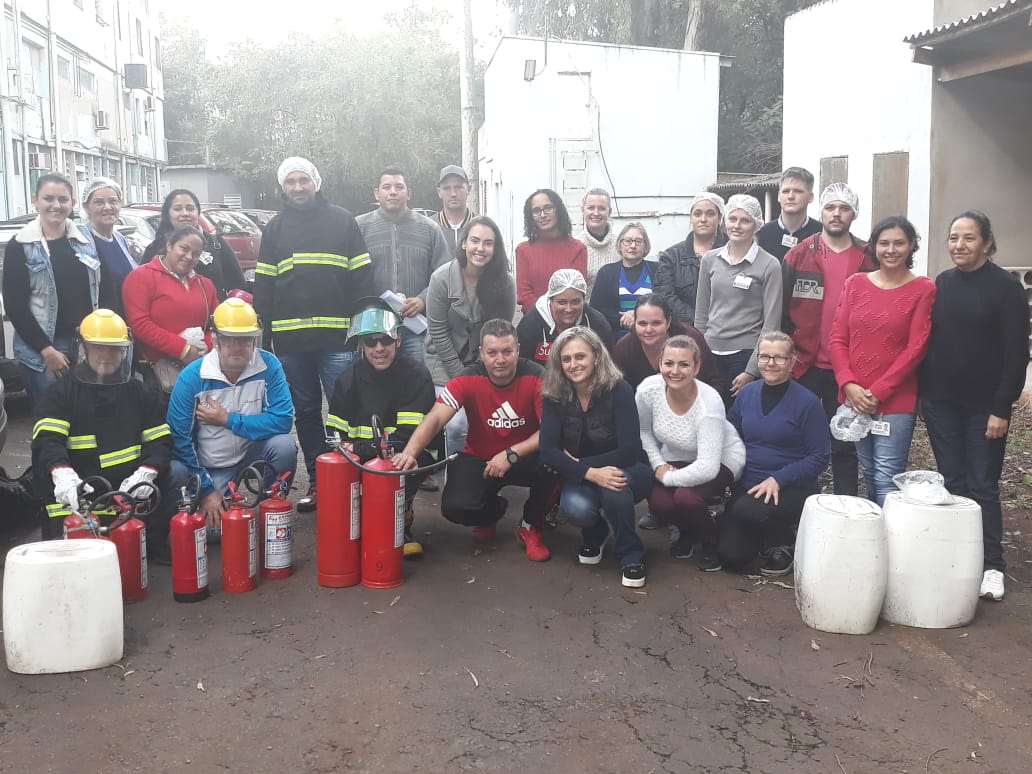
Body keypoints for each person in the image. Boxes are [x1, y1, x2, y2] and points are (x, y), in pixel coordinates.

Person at [919, 211, 1030, 602]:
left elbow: (1017, 354)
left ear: (986, 242)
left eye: (968, 238)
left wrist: (1002, 407)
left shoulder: (1005, 288)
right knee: (953, 482)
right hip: (941, 402)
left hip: (985, 407)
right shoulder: (943, 283)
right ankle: (959, 557)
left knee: (983, 485)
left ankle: (992, 565)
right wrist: (924, 396)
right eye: (953, 238)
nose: (959, 245)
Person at [254, 156, 373, 512]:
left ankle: (352, 478)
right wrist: (266, 337)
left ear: (315, 182)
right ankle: (321, 481)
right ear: (283, 187)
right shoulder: (274, 230)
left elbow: (362, 279)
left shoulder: (342, 221)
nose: (297, 187)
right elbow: (265, 286)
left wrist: (362, 329)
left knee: (345, 408)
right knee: (305, 411)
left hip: (338, 339)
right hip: (291, 343)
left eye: (303, 180)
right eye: (290, 182)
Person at [393, 319, 559, 562]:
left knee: (555, 461)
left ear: (518, 350)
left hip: (524, 456)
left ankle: (531, 526)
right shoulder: (467, 378)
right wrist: (410, 453)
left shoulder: (538, 376)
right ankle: (490, 513)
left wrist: (512, 453)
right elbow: (436, 418)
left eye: (507, 351)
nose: (500, 359)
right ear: (481, 353)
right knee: (456, 507)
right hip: (481, 458)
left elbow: (551, 431)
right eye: (492, 352)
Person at [31, 309, 183, 563]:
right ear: (84, 349)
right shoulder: (62, 393)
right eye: (99, 347)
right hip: (81, 490)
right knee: (77, 563)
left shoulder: (138, 391)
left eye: (114, 349)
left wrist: (147, 471)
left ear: (124, 351)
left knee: (177, 472)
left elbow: (160, 439)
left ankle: (153, 544)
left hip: (130, 489)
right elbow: (47, 440)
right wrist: (62, 473)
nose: (107, 355)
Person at [829, 216, 936, 505]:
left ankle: (891, 545)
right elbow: (838, 338)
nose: (891, 249)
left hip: (895, 400)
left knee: (887, 476)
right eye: (884, 243)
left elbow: (916, 347)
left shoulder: (923, 288)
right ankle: (874, 539)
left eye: (899, 243)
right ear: (874, 246)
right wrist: (848, 383)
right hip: (855, 398)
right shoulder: (856, 284)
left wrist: (878, 392)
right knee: (869, 471)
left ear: (911, 245)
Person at [167, 298, 297, 532]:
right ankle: (209, 500)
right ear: (216, 340)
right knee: (215, 534)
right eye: (229, 339)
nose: (237, 346)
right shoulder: (192, 378)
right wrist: (207, 491)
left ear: (254, 340)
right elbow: (179, 440)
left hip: (251, 454)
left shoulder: (269, 366)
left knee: (284, 446)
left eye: (245, 339)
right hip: (211, 465)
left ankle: (271, 507)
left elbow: (283, 420)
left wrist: (227, 420)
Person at [326, 298, 437, 560]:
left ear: (398, 339)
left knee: (406, 462)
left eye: (386, 340)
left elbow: (409, 439)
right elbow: (334, 438)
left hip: (406, 457)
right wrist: (353, 454)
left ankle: (403, 521)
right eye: (371, 341)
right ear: (361, 345)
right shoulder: (347, 380)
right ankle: (359, 520)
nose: (379, 348)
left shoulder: (415, 376)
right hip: (361, 459)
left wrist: (362, 448)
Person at [539, 327, 651, 587]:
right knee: (575, 508)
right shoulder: (554, 394)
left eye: (580, 356)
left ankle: (630, 553)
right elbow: (547, 451)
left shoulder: (619, 389)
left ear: (597, 356)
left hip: (630, 468)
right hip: (585, 475)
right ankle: (596, 532)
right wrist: (590, 473)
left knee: (615, 486)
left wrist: (580, 465)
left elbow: (629, 450)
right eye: (566, 359)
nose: (573, 364)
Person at [781, 182, 874, 496]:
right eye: (830, 208)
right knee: (802, 436)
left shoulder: (868, 257)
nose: (836, 214)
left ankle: (846, 503)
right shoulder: (799, 255)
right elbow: (781, 310)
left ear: (854, 214)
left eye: (844, 208)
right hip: (805, 363)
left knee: (845, 440)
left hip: (848, 367)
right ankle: (803, 502)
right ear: (820, 211)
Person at [719, 331, 830, 576]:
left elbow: (819, 456)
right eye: (765, 356)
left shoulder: (808, 403)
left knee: (746, 511)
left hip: (791, 487)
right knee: (730, 557)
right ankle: (760, 537)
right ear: (757, 359)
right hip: (749, 485)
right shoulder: (747, 393)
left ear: (792, 362)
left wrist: (779, 479)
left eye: (779, 358)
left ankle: (785, 539)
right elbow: (731, 434)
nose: (770, 363)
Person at [3, 173, 114, 405]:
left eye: (63, 199)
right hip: (45, 350)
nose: (56, 205)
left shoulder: (87, 239)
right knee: (52, 419)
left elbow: (105, 288)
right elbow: (15, 306)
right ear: (35, 200)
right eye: (48, 198)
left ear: (72, 203)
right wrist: (46, 350)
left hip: (87, 342)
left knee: (89, 413)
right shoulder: (20, 245)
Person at [635, 335, 745, 568]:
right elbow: (642, 431)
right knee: (660, 503)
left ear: (696, 367)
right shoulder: (648, 389)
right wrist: (657, 465)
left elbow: (707, 467)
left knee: (685, 497)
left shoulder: (709, 402)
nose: (675, 371)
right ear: (660, 364)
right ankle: (690, 529)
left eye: (684, 364)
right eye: (668, 363)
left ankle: (710, 541)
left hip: (721, 457)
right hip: (675, 455)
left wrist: (667, 477)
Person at [425, 215, 516, 455]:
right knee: (457, 424)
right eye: (475, 240)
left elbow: (502, 330)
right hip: (444, 362)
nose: (480, 248)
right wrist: (460, 375)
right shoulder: (441, 278)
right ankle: (455, 477)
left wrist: (481, 368)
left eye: (488, 243)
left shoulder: (505, 283)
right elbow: (437, 330)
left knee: (493, 418)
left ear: (495, 248)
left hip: (485, 363)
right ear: (464, 243)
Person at [357, 165, 452, 362]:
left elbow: (445, 274)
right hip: (374, 327)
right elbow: (351, 276)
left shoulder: (429, 229)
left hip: (415, 327)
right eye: (387, 187)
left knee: (416, 383)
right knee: (376, 387)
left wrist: (423, 299)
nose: (393, 192)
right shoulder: (359, 228)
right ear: (377, 193)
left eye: (399, 187)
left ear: (408, 193)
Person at [694, 194, 782, 401]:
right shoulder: (709, 260)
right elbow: (701, 312)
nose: (737, 226)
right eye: (733, 219)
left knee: (739, 420)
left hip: (745, 355)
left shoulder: (769, 265)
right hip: (709, 352)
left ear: (756, 225)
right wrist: (698, 353)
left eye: (745, 220)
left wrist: (752, 370)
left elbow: (771, 324)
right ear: (724, 222)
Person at [121, 224, 218, 394]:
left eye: (196, 254)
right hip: (155, 375)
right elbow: (139, 324)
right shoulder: (141, 277)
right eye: (184, 248)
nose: (189, 257)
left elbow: (217, 325)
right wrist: (183, 350)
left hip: (198, 370)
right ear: (169, 245)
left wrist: (205, 346)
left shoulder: (206, 285)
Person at [143, 188, 246, 300]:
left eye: (190, 208)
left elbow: (239, 286)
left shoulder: (217, 245)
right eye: (178, 209)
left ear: (198, 213)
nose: (185, 213)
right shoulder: (155, 249)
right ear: (168, 214)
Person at [612, 293, 724, 393]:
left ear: (668, 322)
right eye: (642, 324)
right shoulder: (624, 349)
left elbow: (715, 382)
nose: (649, 329)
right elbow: (618, 393)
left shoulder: (690, 339)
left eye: (656, 323)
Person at [654, 192, 728, 326]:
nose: (703, 219)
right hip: (684, 331)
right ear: (690, 218)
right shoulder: (671, 256)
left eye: (710, 214)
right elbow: (664, 295)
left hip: (726, 330)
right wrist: (697, 322)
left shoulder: (733, 251)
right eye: (697, 214)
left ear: (720, 218)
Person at [517, 269, 614, 366]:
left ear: (584, 300)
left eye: (575, 302)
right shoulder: (529, 326)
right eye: (562, 302)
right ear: (550, 300)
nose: (568, 309)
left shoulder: (598, 325)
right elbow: (523, 369)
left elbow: (607, 368)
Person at [515, 189, 587, 312]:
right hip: (535, 320)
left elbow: (577, 291)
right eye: (536, 211)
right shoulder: (523, 250)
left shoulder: (578, 249)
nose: (542, 215)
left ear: (558, 210)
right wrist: (547, 315)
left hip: (569, 319)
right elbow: (525, 295)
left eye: (548, 208)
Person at [590, 222, 658, 339]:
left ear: (646, 246)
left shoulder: (657, 270)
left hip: (652, 338)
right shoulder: (606, 273)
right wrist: (623, 319)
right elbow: (596, 310)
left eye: (638, 241)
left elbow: (665, 304)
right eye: (627, 241)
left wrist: (638, 315)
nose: (632, 245)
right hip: (615, 342)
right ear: (619, 245)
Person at [77, 176, 138, 306]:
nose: (107, 207)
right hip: (98, 322)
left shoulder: (120, 239)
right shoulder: (80, 241)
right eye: (99, 202)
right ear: (86, 207)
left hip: (125, 322)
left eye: (113, 201)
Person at [756, 167, 822, 261]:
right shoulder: (761, 235)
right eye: (786, 191)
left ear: (810, 197)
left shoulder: (822, 234)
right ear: (779, 196)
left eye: (798, 191)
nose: (790, 196)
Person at [576, 188, 620, 294]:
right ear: (583, 210)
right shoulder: (574, 247)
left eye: (602, 208)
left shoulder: (621, 245)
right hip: (583, 310)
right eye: (591, 208)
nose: (596, 213)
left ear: (609, 212)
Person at [434, 165, 476, 252]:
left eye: (458, 187)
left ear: (468, 189)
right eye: (446, 188)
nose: (453, 194)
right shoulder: (429, 227)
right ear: (439, 192)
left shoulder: (481, 226)